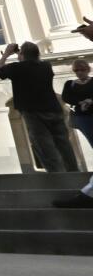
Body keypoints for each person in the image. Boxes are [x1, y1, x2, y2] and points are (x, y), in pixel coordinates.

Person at [0, 42, 79, 173]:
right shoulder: (46, 66)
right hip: (53, 108)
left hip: (32, 111)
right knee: (63, 143)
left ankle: (58, 176)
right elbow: (32, 60)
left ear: (22, 55)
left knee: (44, 145)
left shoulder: (16, 68)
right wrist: (21, 53)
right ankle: (74, 172)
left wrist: (7, 54)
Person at [56, 18, 93, 207]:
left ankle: (88, 195)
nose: (79, 72)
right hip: (84, 117)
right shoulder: (70, 84)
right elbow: (67, 98)